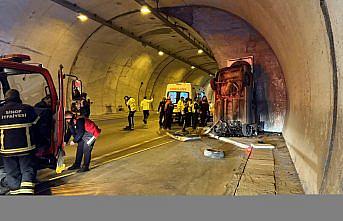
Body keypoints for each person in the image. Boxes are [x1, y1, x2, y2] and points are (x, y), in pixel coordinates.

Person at [0, 89, 39, 195]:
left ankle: (15, 193)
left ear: (6, 99)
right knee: (27, 169)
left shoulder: (0, 111)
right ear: (18, 97)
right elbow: (37, 124)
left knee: (11, 172)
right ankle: (26, 193)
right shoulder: (27, 109)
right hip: (25, 147)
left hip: (6, 150)